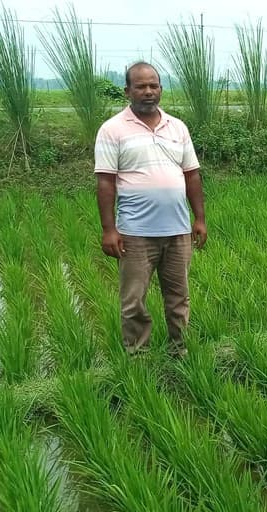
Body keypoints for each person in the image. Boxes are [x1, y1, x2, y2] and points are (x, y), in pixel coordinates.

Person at [94, 61, 207, 358]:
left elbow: (192, 174)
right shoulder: (113, 129)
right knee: (134, 301)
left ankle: (179, 350)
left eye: (153, 85)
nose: (148, 91)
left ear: (161, 89)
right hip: (135, 233)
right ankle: (138, 356)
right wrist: (109, 229)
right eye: (141, 86)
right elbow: (105, 182)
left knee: (179, 297)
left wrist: (200, 219)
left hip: (178, 230)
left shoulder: (177, 127)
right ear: (127, 90)